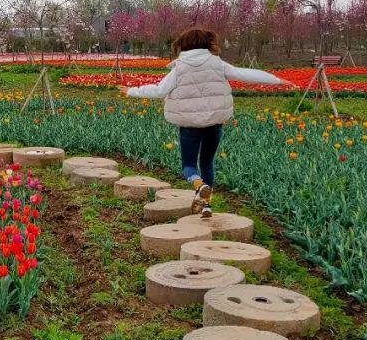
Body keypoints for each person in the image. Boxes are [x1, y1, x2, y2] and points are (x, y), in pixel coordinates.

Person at [120, 28, 293, 217]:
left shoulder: (180, 68)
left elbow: (159, 91)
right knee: (207, 163)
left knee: (188, 166)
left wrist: (131, 91)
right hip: (214, 125)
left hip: (189, 126)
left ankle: (198, 184)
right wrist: (277, 80)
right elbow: (246, 74)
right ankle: (206, 206)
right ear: (206, 43)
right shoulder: (217, 64)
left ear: (184, 45)